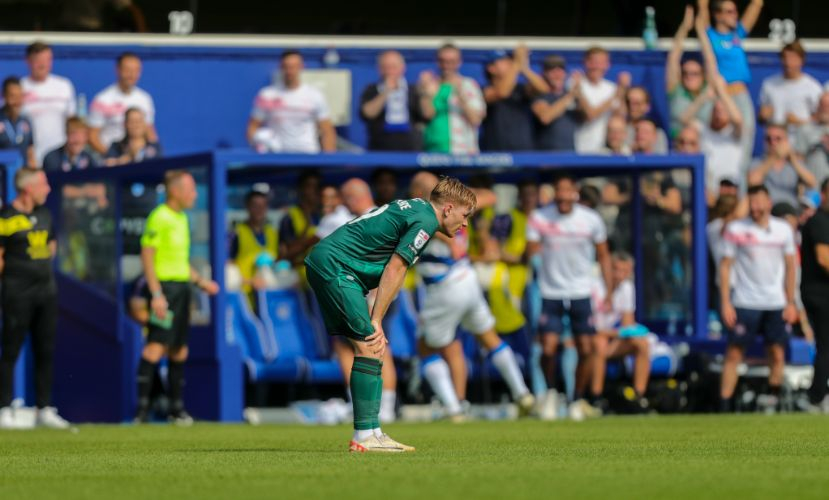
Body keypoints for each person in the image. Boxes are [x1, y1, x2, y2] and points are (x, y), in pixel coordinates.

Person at [305, 176, 476, 452]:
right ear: (448, 209)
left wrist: (376, 317)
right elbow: (395, 268)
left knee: (372, 348)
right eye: (465, 215)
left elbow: (394, 270)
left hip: (338, 267)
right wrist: (376, 319)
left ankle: (373, 432)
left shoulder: (419, 209)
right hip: (336, 268)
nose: (465, 223)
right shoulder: (426, 221)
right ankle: (364, 436)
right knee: (368, 345)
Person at [410, 172, 534, 421]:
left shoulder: (421, 210)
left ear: (419, 191)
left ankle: (453, 409)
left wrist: (448, 240)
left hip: (444, 284)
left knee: (425, 347)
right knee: (485, 338)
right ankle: (522, 394)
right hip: (468, 279)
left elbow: (434, 227)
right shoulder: (456, 206)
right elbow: (489, 197)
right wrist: (459, 194)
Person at [135, 170, 220, 424]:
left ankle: (176, 409)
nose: (195, 195)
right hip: (165, 289)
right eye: (191, 190)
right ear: (175, 191)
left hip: (182, 289)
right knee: (155, 346)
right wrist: (156, 294)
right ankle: (141, 410)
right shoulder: (159, 217)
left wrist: (201, 282)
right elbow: (147, 256)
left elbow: (181, 262)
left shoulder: (182, 218)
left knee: (180, 348)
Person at [526, 173, 613, 420]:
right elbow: (531, 250)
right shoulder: (540, 217)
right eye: (559, 190)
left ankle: (577, 399)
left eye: (568, 190)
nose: (563, 196)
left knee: (586, 348)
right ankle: (552, 393)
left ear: (576, 192)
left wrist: (608, 290)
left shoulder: (591, 220)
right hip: (551, 291)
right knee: (548, 348)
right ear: (554, 193)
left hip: (581, 291)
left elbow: (604, 255)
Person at [316, 178, 400, 424]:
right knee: (377, 347)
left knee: (353, 348)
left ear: (352, 198)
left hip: (370, 294)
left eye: (344, 199)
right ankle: (385, 407)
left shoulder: (370, 221)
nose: (342, 204)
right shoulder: (387, 216)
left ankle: (367, 406)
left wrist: (373, 298)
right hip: (384, 293)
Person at [718, 184, 798, 412]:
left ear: (769, 203)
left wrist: (790, 302)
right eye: (752, 203)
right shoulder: (736, 229)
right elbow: (725, 267)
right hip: (745, 301)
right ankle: (724, 406)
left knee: (777, 352)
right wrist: (726, 302)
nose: (755, 208)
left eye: (759, 202)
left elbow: (791, 267)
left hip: (775, 302)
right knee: (734, 352)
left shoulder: (783, 229)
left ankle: (773, 400)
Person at [0, 168, 69, 429]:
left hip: (46, 292)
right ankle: (4, 408)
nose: (48, 189)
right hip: (17, 293)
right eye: (43, 184)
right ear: (28, 189)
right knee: (10, 350)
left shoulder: (44, 214)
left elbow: (51, 246)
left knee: (45, 350)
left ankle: (44, 409)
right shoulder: (6, 217)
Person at [697, 0, 763, 166]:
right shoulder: (710, 35)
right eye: (729, 11)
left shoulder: (737, 35)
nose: (735, 15)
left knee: (746, 137)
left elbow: (756, 5)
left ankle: (740, 179)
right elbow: (703, 6)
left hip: (740, 94)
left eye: (735, 11)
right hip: (720, 96)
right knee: (711, 140)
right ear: (717, 15)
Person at [590, 252, 650, 412]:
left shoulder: (627, 287)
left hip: (610, 336)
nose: (619, 275)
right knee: (600, 343)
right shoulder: (594, 285)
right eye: (616, 269)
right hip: (592, 338)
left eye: (625, 271)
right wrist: (610, 334)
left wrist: (613, 334)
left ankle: (639, 398)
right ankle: (596, 398)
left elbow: (627, 325)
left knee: (642, 343)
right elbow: (591, 328)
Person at [247, 51, 336, 153]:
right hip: (277, 156)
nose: (290, 71)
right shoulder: (267, 95)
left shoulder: (314, 95)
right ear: (281, 67)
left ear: (301, 67)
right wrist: (259, 146)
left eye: (293, 67)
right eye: (286, 66)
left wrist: (328, 158)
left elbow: (327, 131)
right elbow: (253, 127)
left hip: (308, 155)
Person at [684, 75, 744, 198]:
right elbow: (684, 119)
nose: (718, 114)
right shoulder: (704, 130)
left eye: (722, 111)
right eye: (716, 110)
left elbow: (738, 120)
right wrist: (704, 96)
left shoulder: (733, 133)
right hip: (707, 191)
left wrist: (722, 91)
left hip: (729, 190)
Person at [419, 44, 486, 154]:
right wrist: (427, 93)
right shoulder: (430, 84)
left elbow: (476, 120)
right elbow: (427, 114)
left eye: (451, 61)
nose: (447, 65)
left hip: (462, 150)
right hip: (434, 151)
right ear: (437, 62)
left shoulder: (469, 85)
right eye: (442, 61)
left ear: (459, 62)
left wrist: (461, 98)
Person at [480, 45, 548, 151]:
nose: (509, 63)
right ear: (491, 68)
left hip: (524, 151)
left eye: (510, 60)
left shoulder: (520, 89)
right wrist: (516, 64)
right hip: (497, 153)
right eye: (504, 61)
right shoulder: (485, 89)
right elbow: (502, 93)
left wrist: (524, 68)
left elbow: (543, 89)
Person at [88, 52, 157, 155]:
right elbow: (92, 136)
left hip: (139, 160)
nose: (132, 75)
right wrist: (112, 157)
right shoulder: (102, 99)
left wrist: (154, 154)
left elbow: (150, 132)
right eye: (127, 70)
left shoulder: (145, 99)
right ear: (117, 70)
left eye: (136, 70)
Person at [20, 41, 77, 165]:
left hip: (60, 159)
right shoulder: (19, 88)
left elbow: (72, 124)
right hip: (29, 159)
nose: (43, 64)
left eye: (47, 60)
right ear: (27, 61)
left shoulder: (64, 86)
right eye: (38, 60)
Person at [800, 178, 829, 411]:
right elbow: (824, 258)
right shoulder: (819, 221)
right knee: (826, 346)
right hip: (821, 294)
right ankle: (817, 396)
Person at [359, 50, 424, 151]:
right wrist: (385, 92)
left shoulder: (413, 90)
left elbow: (426, 116)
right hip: (381, 148)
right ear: (379, 69)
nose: (390, 72)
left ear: (403, 68)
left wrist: (425, 94)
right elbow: (367, 113)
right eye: (386, 67)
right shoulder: (372, 89)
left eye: (393, 67)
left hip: (410, 147)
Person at [573, 46, 630, 153]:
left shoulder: (611, 88)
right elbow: (590, 115)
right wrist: (616, 95)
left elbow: (621, 116)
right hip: (583, 148)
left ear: (608, 65)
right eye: (594, 62)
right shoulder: (576, 84)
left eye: (601, 62)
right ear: (585, 63)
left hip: (607, 150)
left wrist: (622, 91)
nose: (597, 66)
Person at [759, 41, 822, 135]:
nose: (788, 62)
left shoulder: (813, 87)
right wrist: (762, 116)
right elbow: (761, 118)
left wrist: (799, 122)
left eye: (793, 58)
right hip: (775, 140)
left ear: (802, 60)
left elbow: (821, 120)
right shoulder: (768, 84)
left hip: (802, 140)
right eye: (785, 57)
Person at [666, 6, 711, 138]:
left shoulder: (708, 88)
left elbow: (710, 59)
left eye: (694, 73)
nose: (689, 76)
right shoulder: (676, 91)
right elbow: (673, 58)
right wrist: (685, 27)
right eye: (685, 73)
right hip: (679, 145)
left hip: (705, 146)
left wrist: (700, 31)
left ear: (702, 76)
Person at [749, 124, 816, 207]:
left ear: (786, 141)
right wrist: (774, 157)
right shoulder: (757, 162)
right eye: (768, 139)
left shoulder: (795, 163)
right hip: (768, 210)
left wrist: (793, 161)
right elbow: (752, 182)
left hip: (790, 209)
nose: (773, 142)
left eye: (778, 139)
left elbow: (812, 183)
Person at [229, 190, 278, 301]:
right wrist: (250, 282)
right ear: (248, 207)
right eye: (255, 206)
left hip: (270, 299)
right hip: (245, 299)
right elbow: (228, 269)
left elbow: (278, 263)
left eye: (263, 206)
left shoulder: (273, 233)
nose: (259, 209)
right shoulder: (236, 233)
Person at [532, 55, 579, 151]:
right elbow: (545, 117)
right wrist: (570, 95)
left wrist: (579, 89)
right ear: (544, 74)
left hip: (570, 153)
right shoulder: (540, 96)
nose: (557, 75)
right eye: (552, 71)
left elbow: (589, 116)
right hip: (547, 155)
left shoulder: (570, 95)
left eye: (560, 70)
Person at [278, 171, 321, 273]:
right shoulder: (290, 217)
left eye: (317, 187)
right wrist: (307, 226)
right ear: (300, 189)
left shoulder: (326, 215)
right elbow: (286, 254)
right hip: (300, 275)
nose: (313, 191)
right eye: (309, 186)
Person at [794, 92, 829, 183]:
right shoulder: (804, 129)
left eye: (827, 106)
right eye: (822, 105)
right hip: (813, 185)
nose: (825, 109)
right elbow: (798, 159)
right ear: (817, 107)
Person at [0, 77, 36, 167]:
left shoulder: (26, 121)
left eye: (20, 96)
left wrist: (33, 170)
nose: (17, 101)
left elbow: (30, 152)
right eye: (13, 96)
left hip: (22, 174)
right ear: (4, 96)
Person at [624, 87, 668, 153]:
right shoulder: (619, 131)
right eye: (628, 102)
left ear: (647, 106)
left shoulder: (658, 133)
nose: (632, 107)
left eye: (637, 103)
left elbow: (661, 157)